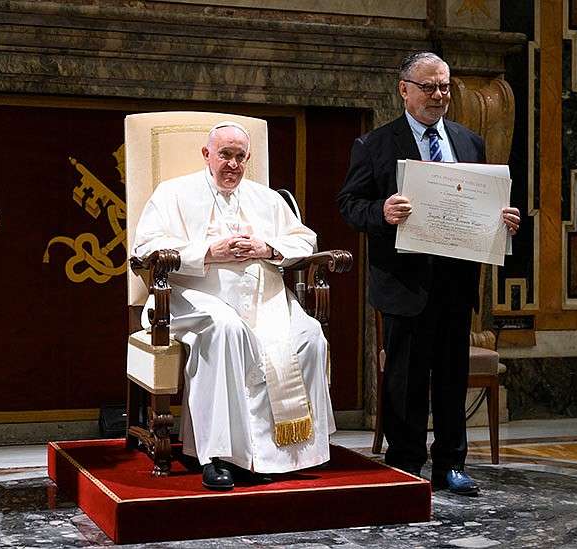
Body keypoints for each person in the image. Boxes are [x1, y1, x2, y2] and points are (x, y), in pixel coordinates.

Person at [337, 51, 521, 496]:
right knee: (405, 380)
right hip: (404, 282)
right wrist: (381, 210)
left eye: (444, 86)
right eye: (429, 87)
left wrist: (504, 220)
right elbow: (349, 206)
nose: (439, 95)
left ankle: (451, 464)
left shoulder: (469, 141)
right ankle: (404, 464)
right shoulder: (375, 145)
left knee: (453, 376)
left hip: (456, 282)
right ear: (404, 90)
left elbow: (480, 203)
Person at [132, 121, 336, 491]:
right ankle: (216, 454)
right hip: (192, 297)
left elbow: (305, 241)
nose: (233, 164)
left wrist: (268, 249)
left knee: (310, 335)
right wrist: (208, 252)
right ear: (207, 154)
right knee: (226, 328)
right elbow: (145, 248)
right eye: (225, 154)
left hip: (265, 298)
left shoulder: (267, 198)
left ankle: (281, 453)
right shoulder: (172, 193)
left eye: (240, 157)